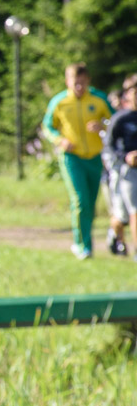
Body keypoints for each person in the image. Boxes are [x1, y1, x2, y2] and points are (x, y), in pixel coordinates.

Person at [42, 63, 113, 259]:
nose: (79, 87)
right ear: (68, 82)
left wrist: (102, 126)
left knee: (90, 203)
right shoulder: (59, 102)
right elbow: (48, 126)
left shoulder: (99, 99)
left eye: (82, 83)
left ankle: (86, 241)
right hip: (71, 158)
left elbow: (115, 122)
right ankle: (82, 246)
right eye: (75, 83)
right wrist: (60, 140)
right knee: (80, 200)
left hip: (94, 158)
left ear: (88, 81)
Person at [103, 77, 137, 257]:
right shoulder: (121, 119)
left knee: (135, 211)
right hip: (125, 171)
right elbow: (108, 147)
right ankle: (114, 234)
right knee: (122, 217)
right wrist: (126, 157)